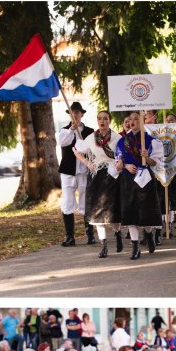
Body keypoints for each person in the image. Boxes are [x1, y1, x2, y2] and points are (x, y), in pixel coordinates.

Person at [114, 111, 164, 260]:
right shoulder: (122, 142)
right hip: (128, 180)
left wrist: (146, 158)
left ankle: (148, 233)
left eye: (137, 119)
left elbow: (156, 163)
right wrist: (124, 165)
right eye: (131, 119)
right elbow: (117, 164)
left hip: (145, 179)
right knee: (130, 213)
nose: (133, 121)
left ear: (143, 122)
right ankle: (135, 246)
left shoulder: (151, 141)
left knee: (146, 212)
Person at [73, 110, 123, 257]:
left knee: (113, 212)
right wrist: (88, 163)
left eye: (105, 119)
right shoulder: (90, 138)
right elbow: (77, 151)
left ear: (110, 121)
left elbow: (123, 155)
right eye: (99, 119)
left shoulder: (117, 138)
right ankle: (104, 246)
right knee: (98, 213)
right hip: (96, 178)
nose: (102, 121)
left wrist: (120, 162)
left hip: (112, 177)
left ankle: (118, 233)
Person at [57, 102, 95, 247]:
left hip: (84, 171)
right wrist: (71, 130)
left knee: (86, 201)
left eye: (77, 112)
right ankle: (70, 236)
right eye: (73, 112)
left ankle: (90, 234)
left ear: (82, 114)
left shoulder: (90, 131)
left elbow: (92, 148)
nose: (75, 115)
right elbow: (63, 142)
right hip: (68, 172)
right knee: (67, 203)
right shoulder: (64, 131)